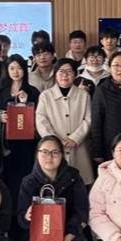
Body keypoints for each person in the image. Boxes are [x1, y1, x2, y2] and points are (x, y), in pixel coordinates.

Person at [17, 135, 88, 241]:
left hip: (66, 229)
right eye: (44, 152)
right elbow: (20, 218)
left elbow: (82, 210)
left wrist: (70, 232)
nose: (49, 157)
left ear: (62, 155)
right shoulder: (28, 182)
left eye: (55, 152)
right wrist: (27, 217)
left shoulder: (73, 177)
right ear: (37, 154)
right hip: (40, 232)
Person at [0, 54, 42, 241]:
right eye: (12, 68)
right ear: (7, 70)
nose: (16, 72)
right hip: (6, 148)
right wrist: (0, 117)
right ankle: (10, 228)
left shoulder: (33, 91)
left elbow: (39, 118)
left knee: (26, 184)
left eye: (19, 68)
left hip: (27, 146)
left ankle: (26, 226)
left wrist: (25, 104)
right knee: (8, 187)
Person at [36, 58, 94, 186]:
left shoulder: (84, 95)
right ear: (55, 74)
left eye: (69, 71)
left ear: (75, 74)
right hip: (53, 148)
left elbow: (88, 119)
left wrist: (75, 138)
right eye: (61, 71)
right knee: (55, 184)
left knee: (79, 184)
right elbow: (41, 120)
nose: (65, 75)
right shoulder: (46, 96)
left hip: (79, 147)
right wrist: (54, 141)